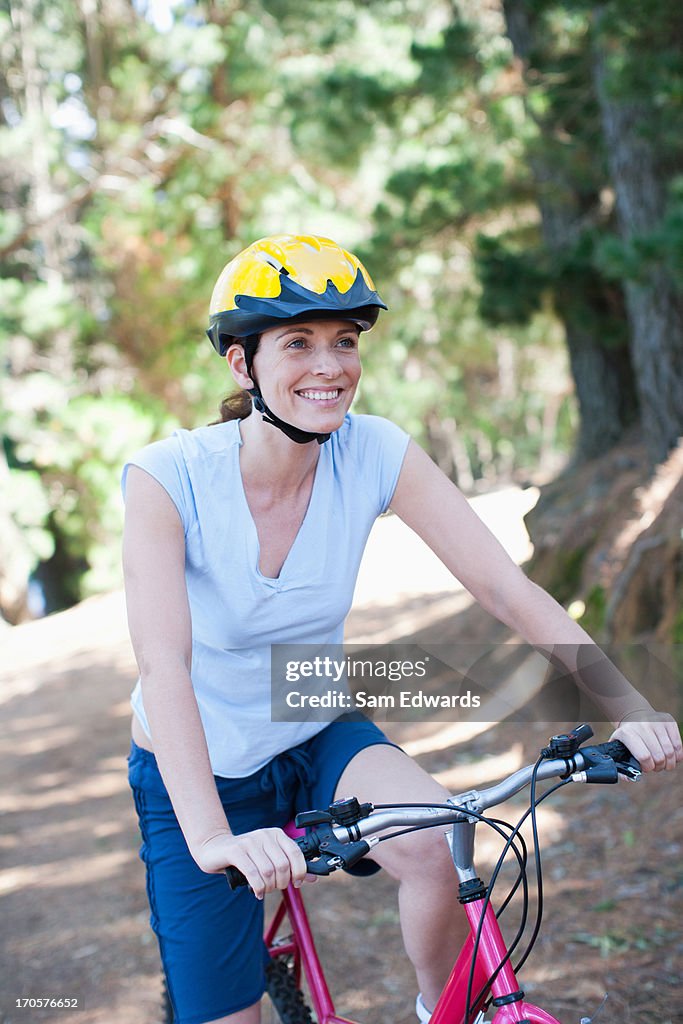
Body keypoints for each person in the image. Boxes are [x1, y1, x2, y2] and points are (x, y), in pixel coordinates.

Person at [122, 233, 682, 1024]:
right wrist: (214, 839)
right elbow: (163, 665)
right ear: (241, 364)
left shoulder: (374, 449)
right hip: (197, 770)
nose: (329, 365)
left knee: (436, 841)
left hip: (313, 726)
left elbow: (502, 586)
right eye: (297, 342)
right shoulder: (166, 478)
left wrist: (629, 705)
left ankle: (447, 1011)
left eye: (344, 341)